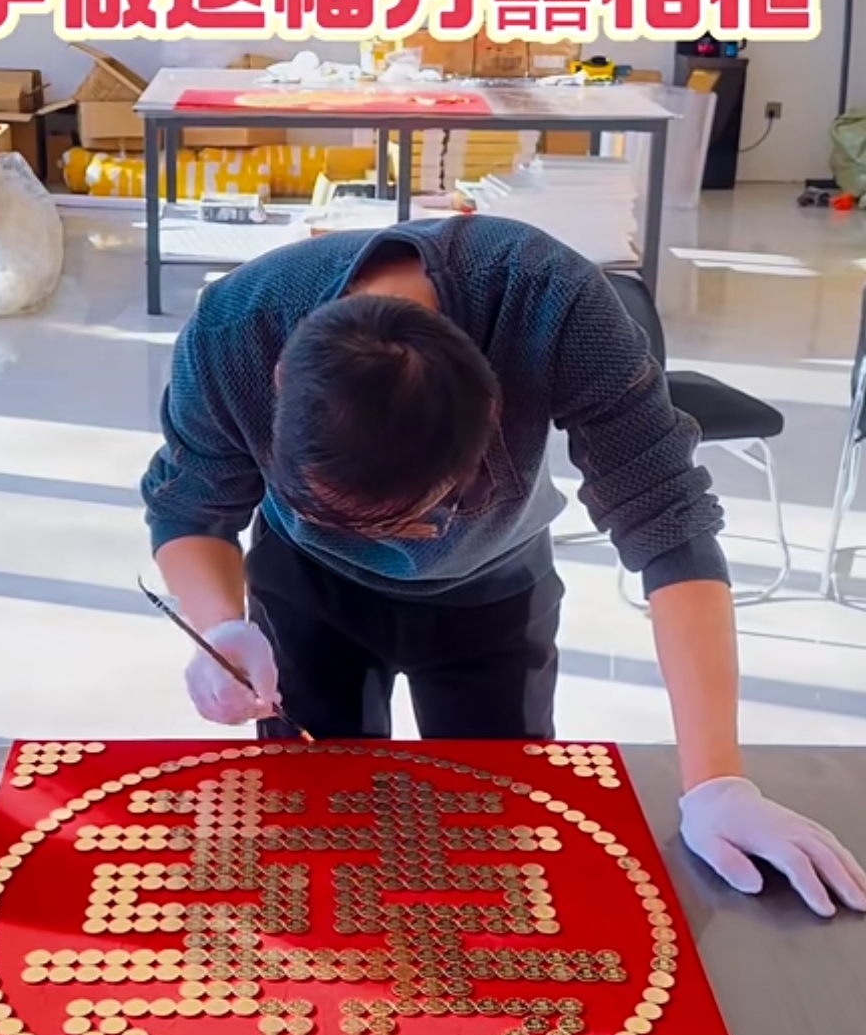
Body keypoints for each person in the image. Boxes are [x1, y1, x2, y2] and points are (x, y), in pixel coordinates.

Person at [141, 216, 866, 920]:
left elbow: (671, 527)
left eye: (424, 513)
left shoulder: (554, 302)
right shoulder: (233, 332)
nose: (409, 543)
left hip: (495, 590)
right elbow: (191, 508)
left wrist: (716, 782)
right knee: (318, 831)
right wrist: (222, 626)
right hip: (307, 590)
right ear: (277, 382)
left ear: (494, 410)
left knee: (494, 839)